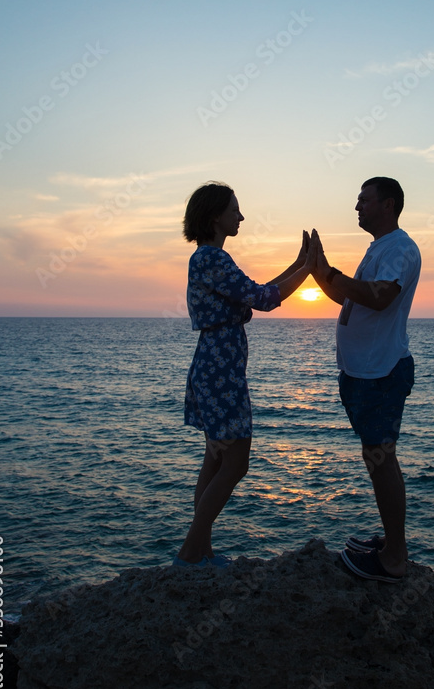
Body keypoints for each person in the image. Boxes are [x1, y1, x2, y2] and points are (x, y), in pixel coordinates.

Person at [174, 181, 317, 567]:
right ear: (215, 216)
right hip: (220, 370)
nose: (240, 216)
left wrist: (299, 263)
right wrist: (307, 268)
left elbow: (258, 290)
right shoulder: (211, 260)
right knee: (235, 463)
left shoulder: (211, 258)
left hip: (216, 366)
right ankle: (191, 550)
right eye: (234, 209)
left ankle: (199, 550)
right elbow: (266, 299)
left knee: (216, 460)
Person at [311, 177, 421, 582]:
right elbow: (348, 296)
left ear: (388, 204)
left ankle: (394, 557)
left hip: (381, 371)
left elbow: (377, 296)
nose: (357, 207)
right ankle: (392, 543)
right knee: (375, 458)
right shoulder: (380, 248)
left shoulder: (401, 249)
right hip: (364, 370)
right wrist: (317, 269)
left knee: (381, 458)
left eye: (364, 200)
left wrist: (330, 271)